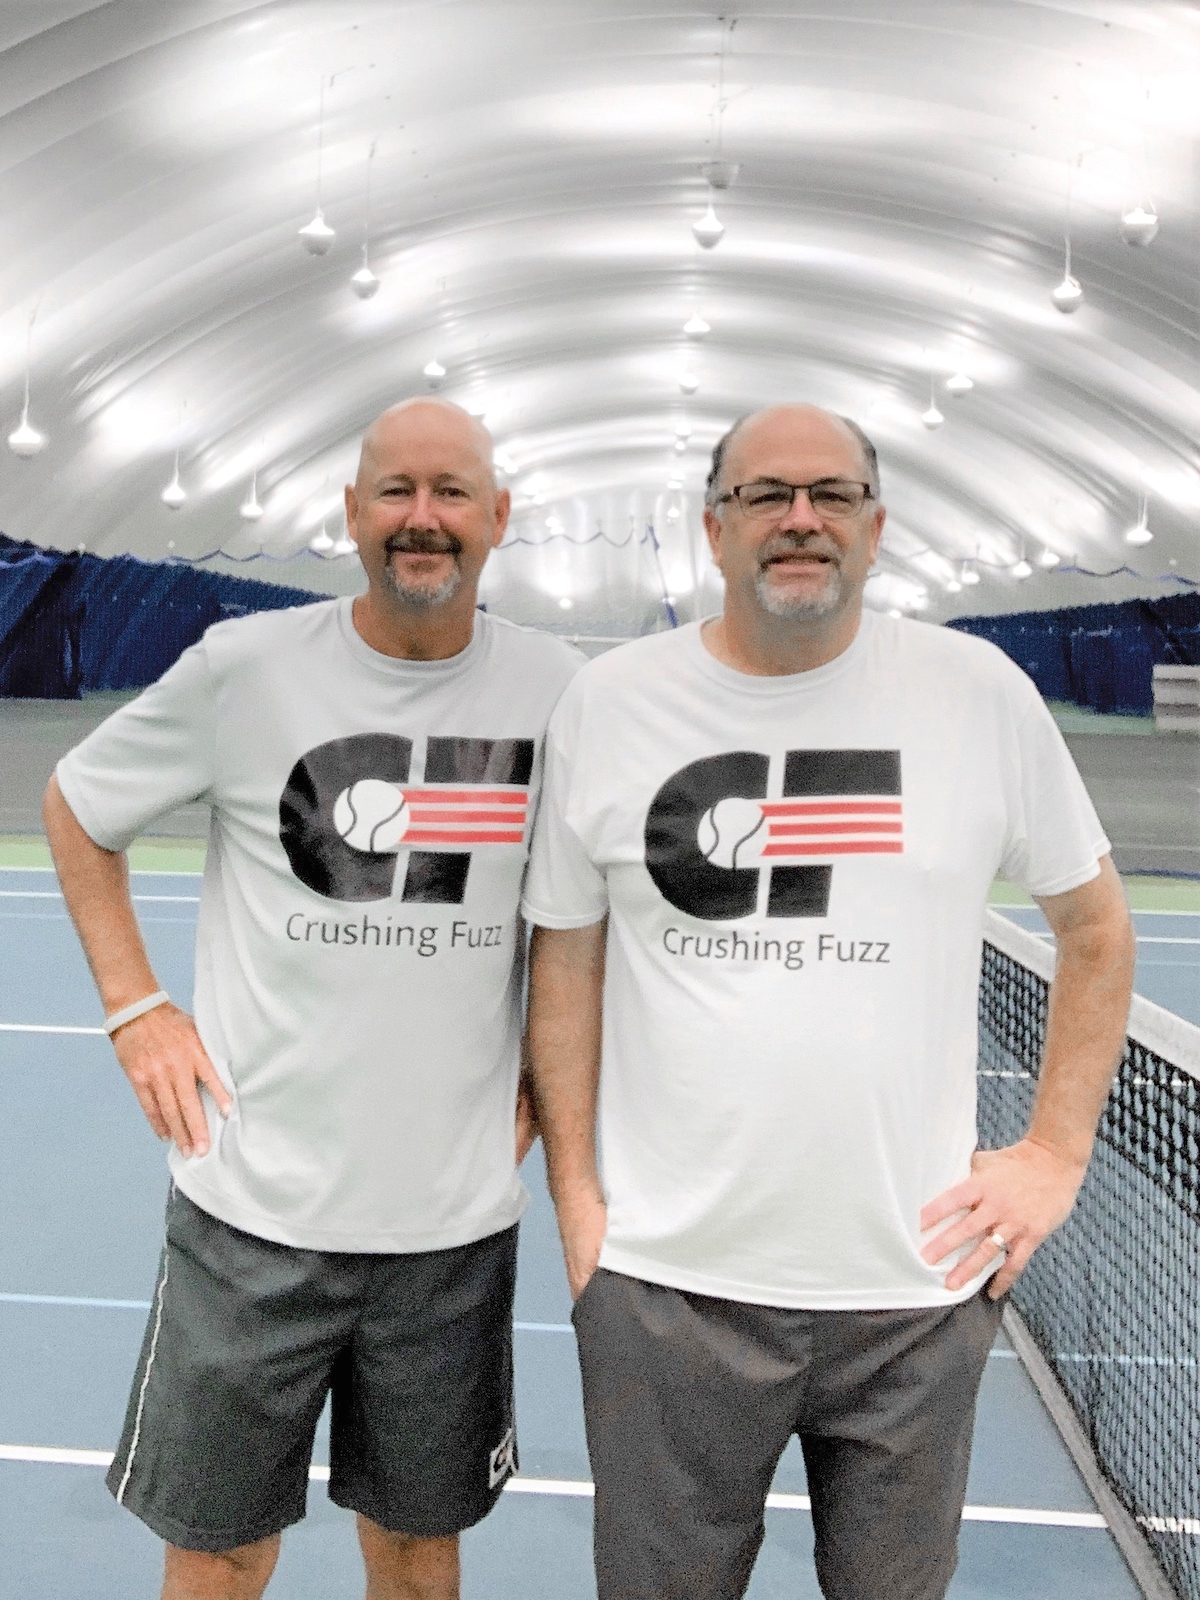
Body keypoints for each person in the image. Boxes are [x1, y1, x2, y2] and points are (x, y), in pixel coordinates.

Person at [522, 403, 1135, 1600]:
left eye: (831, 495)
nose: (799, 519)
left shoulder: (979, 693)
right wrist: (580, 1202)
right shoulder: (611, 703)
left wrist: (1055, 1155)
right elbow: (568, 963)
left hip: (913, 1301)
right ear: (714, 528)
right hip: (668, 1292)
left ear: (876, 524)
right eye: (764, 495)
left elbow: (1098, 929)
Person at [43, 398, 581, 1600]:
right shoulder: (246, 669)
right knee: (222, 1552)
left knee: (416, 1553)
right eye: (395, 490)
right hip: (249, 1218)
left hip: (448, 1233)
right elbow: (78, 807)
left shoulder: (560, 691)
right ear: (351, 514)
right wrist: (139, 1007)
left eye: (450, 491)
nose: (421, 517)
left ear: (500, 517)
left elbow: (581, 914)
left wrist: (549, 1075)